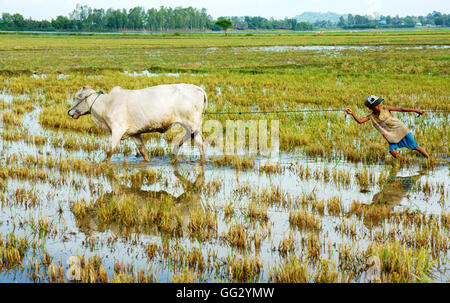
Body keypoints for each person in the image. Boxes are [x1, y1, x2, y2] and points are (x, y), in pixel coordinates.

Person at [345, 95, 430, 159]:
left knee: (415, 146)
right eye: (376, 105)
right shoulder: (371, 116)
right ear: (370, 108)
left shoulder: (385, 108)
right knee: (392, 151)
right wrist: (352, 113)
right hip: (391, 135)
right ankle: (404, 162)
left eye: (379, 103)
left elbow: (401, 109)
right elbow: (360, 121)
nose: (379, 105)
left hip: (401, 130)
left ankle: (429, 159)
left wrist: (416, 111)